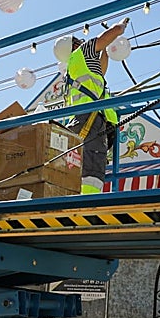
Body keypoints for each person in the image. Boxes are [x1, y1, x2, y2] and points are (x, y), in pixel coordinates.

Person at [64, 17, 130, 194]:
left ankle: (84, 196)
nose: (83, 41)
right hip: (90, 119)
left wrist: (107, 51)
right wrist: (120, 27)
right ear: (74, 45)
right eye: (78, 40)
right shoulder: (81, 53)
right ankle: (88, 202)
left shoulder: (77, 66)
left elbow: (100, 70)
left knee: (88, 162)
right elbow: (104, 38)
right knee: (92, 164)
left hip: (89, 119)